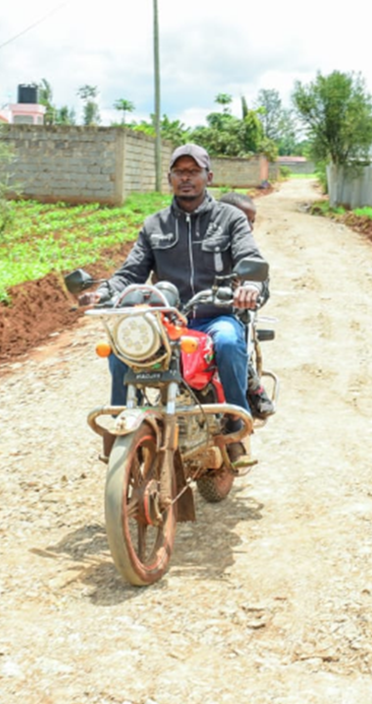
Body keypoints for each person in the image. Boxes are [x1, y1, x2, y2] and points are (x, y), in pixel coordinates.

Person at [84, 144, 265, 464]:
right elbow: (131, 272)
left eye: (193, 171)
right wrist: (105, 292)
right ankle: (125, 422)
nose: (186, 178)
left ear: (208, 176)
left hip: (215, 315)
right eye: (179, 172)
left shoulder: (230, 218)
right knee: (120, 348)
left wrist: (250, 286)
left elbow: (250, 258)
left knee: (228, 341)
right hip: (167, 321)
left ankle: (234, 426)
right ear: (169, 177)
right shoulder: (155, 225)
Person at [216, 191, 276, 421]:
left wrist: (250, 289)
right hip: (190, 312)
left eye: (251, 221)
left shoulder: (245, 250)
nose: (247, 227)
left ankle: (251, 389)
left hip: (230, 312)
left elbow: (260, 278)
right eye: (242, 220)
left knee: (231, 342)